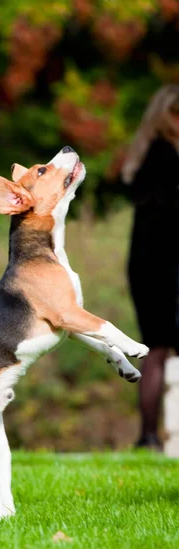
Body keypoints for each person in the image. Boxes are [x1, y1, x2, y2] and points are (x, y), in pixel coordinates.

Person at [122, 85, 179, 450]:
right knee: (157, 349)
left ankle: (150, 435)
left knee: (155, 350)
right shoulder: (164, 157)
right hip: (163, 268)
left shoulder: (144, 158)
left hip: (148, 265)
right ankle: (149, 435)